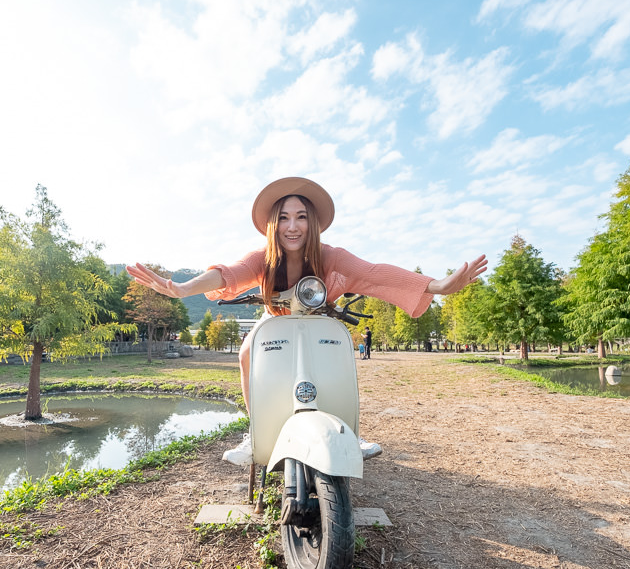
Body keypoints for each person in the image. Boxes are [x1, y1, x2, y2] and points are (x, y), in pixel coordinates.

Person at [127, 177, 487, 466]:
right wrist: (181, 288)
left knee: (336, 360)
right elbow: (227, 274)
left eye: (300, 216)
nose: (292, 226)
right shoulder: (262, 259)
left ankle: (347, 431)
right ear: (273, 224)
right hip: (276, 319)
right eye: (283, 217)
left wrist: (438, 286)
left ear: (312, 222)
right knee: (246, 354)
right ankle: (256, 434)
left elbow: (374, 273)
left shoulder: (331, 256)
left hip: (320, 321)